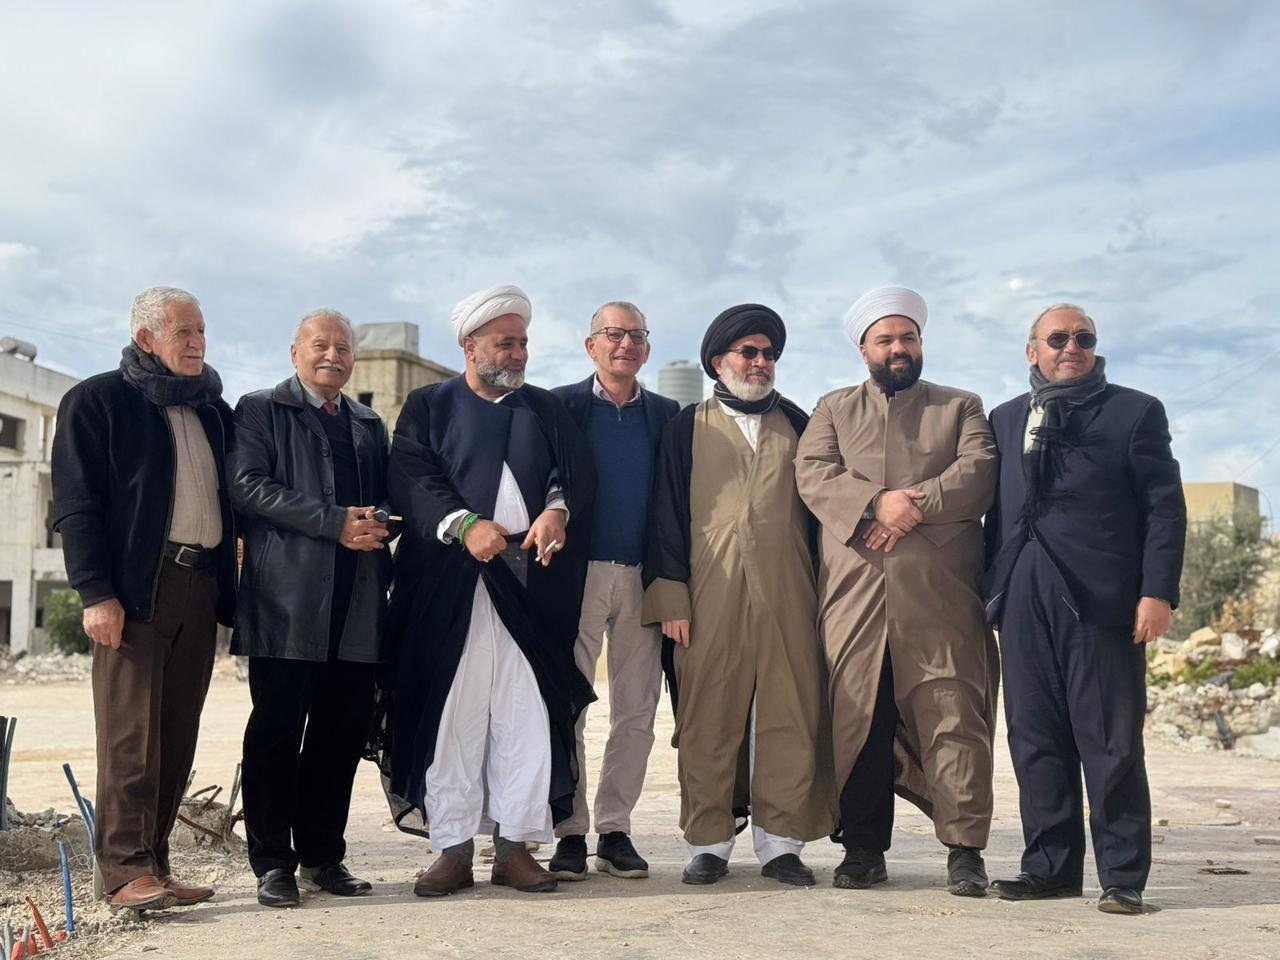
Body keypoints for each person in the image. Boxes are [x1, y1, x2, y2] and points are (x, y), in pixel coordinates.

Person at [379, 283, 596, 896]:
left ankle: (513, 849)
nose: (518, 353)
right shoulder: (429, 405)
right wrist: (464, 524)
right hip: (448, 590)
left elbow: (572, 473)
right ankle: (451, 850)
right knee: (454, 715)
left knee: (524, 717)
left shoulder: (544, 408)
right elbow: (412, 476)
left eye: (523, 342)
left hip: (529, 588)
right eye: (506, 342)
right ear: (470, 346)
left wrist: (556, 510)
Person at [795, 286, 1000, 895]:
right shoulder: (833, 408)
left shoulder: (960, 406)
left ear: (921, 343)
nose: (898, 348)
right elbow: (812, 472)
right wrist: (873, 503)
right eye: (885, 339)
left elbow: (979, 471)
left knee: (953, 718)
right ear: (864, 349)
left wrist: (911, 506)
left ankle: (965, 851)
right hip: (855, 595)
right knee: (859, 719)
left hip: (939, 596)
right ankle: (863, 850)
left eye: (907, 337)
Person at [984, 304, 1186, 915]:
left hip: (1102, 598)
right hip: (1022, 591)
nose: (1071, 346)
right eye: (1058, 338)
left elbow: (1164, 507)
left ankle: (1122, 876)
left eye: (1084, 338)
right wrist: (990, 592)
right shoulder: (1004, 417)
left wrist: (1158, 591)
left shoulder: (1135, 411)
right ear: (1032, 351)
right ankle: (1049, 868)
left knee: (1110, 740)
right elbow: (995, 511)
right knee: (1033, 735)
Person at [50, 286, 235, 911]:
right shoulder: (96, 401)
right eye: (184, 331)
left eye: (201, 330)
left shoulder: (213, 411)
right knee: (130, 736)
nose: (198, 342)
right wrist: (95, 593)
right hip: (133, 591)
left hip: (199, 585)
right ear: (145, 338)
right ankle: (124, 871)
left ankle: (155, 863)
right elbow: (76, 506)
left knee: (177, 734)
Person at [642, 304, 836, 887]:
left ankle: (782, 845)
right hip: (708, 592)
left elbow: (823, 516)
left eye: (768, 354)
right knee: (708, 717)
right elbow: (664, 515)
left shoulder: (801, 424)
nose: (760, 362)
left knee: (790, 712)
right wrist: (670, 598)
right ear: (717, 361)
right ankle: (708, 843)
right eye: (748, 352)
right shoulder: (686, 428)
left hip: (790, 592)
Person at [227, 309, 392, 907]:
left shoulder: (368, 423)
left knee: (339, 735)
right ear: (295, 352)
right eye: (320, 345)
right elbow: (247, 486)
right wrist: (334, 523)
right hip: (285, 602)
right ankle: (273, 862)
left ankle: (324, 857)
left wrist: (380, 523)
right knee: (275, 732)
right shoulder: (261, 410)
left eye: (343, 348)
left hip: (357, 604)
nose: (332, 356)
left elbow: (385, 499)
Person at [546, 301, 680, 881]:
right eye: (613, 334)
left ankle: (615, 829)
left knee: (637, 709)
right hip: (575, 576)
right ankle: (570, 831)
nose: (625, 344)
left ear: (646, 349)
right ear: (591, 345)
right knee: (569, 705)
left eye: (636, 336)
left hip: (643, 578)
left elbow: (676, 501)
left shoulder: (669, 414)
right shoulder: (559, 406)